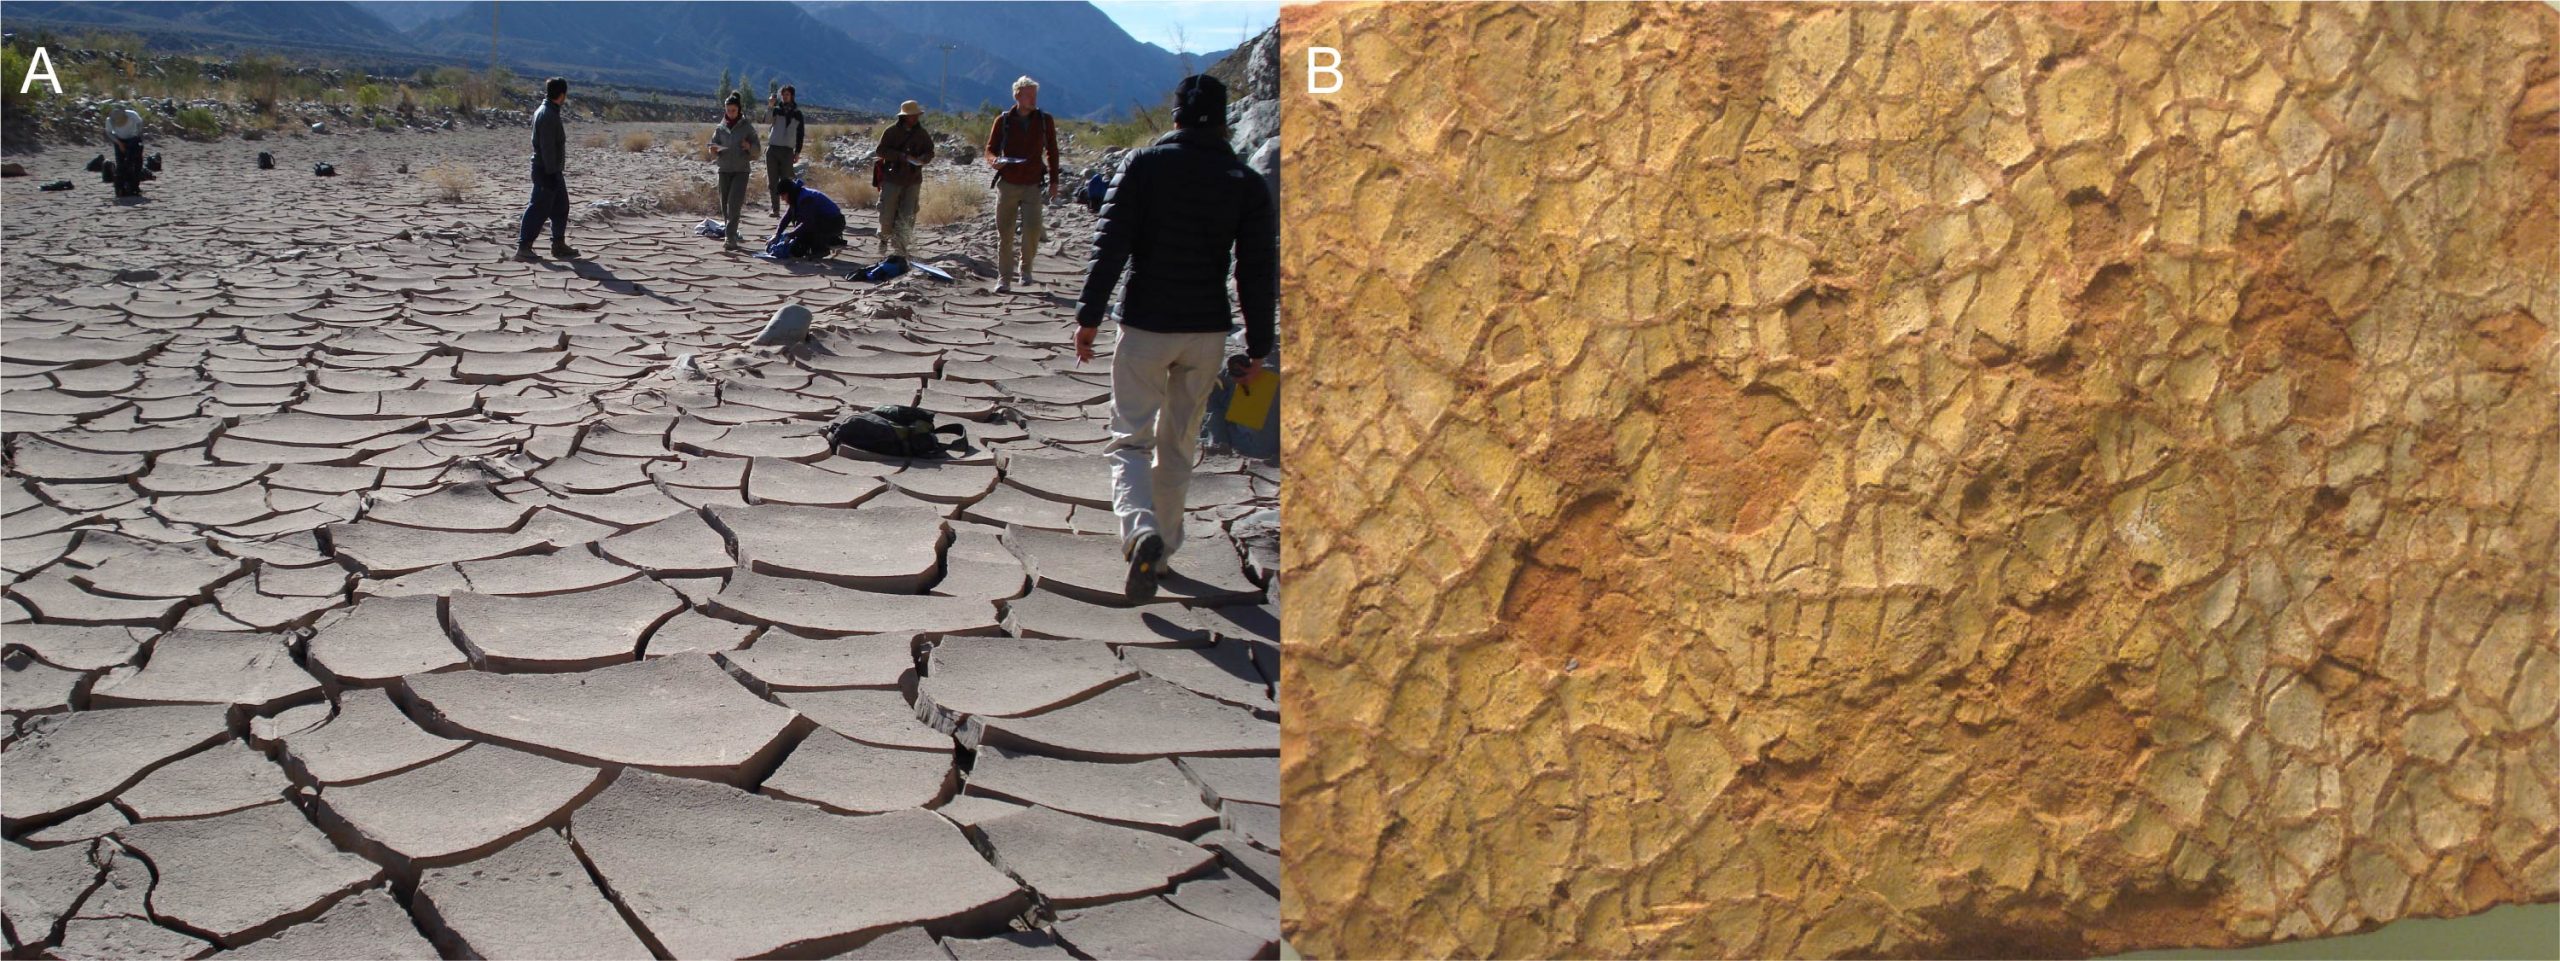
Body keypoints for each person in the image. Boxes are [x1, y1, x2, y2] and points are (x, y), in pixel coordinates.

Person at [1071, 75, 1276, 601]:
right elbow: (1256, 272)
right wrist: (1257, 347)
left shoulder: (1144, 165)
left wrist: (1088, 315)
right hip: (1206, 331)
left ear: (1177, 117)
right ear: (1225, 119)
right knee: (1179, 443)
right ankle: (1162, 552)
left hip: (1145, 324)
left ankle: (1140, 530)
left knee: (1130, 439)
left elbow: (1110, 243)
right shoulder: (1245, 181)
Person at [983, 75, 1060, 292]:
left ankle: (1025, 269)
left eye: (1035, 95)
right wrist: (994, 161)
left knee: (1033, 230)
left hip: (1033, 184)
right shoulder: (1004, 120)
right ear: (1017, 95)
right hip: (1008, 183)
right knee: (1005, 233)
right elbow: (990, 149)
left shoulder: (1045, 120)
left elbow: (1052, 151)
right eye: (1029, 95)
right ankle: (1004, 278)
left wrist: (1054, 180)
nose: (1033, 99)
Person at [516, 77, 577, 260]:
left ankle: (558, 244)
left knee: (561, 206)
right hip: (546, 170)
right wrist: (551, 173)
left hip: (552, 170)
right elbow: (547, 147)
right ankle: (523, 247)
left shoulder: (548, 110)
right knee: (538, 207)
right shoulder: (548, 115)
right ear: (562, 94)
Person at [871, 100, 934, 257]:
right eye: (911, 115)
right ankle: (884, 238)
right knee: (887, 213)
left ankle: (901, 248)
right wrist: (900, 156)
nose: (914, 118)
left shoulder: (922, 134)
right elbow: (881, 150)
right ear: (904, 116)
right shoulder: (891, 131)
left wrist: (923, 158)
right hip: (892, 178)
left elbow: (930, 151)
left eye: (916, 115)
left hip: (913, 180)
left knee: (908, 215)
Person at [706, 93, 761, 251]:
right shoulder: (720, 127)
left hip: (741, 170)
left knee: (734, 204)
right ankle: (731, 232)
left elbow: (757, 150)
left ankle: (730, 238)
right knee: (724, 205)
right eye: (728, 110)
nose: (730, 113)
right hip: (724, 169)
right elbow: (713, 147)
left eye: (733, 110)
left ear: (739, 110)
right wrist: (714, 150)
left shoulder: (747, 127)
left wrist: (749, 147)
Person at [767, 179, 846, 260]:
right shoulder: (797, 196)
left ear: (789, 192)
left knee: (806, 227)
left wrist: (791, 235)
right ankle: (825, 242)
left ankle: (822, 249)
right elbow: (787, 217)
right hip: (827, 222)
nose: (782, 199)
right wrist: (777, 234)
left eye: (783, 195)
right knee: (799, 242)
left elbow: (808, 222)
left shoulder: (806, 198)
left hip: (835, 223)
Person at [766, 85, 805, 217]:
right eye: (783, 94)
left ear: (792, 96)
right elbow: (766, 121)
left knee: (786, 182)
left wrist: (798, 152)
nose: (785, 96)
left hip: (788, 151)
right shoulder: (776, 110)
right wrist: (770, 106)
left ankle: (791, 210)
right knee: (772, 182)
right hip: (772, 149)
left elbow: (800, 134)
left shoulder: (798, 114)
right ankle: (775, 209)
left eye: (787, 94)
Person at [104, 106, 145, 197]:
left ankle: (135, 187)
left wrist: (136, 135)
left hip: (133, 138)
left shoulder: (132, 115)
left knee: (137, 163)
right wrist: (119, 143)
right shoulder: (109, 120)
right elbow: (109, 132)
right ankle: (120, 187)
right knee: (121, 165)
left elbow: (140, 123)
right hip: (119, 140)